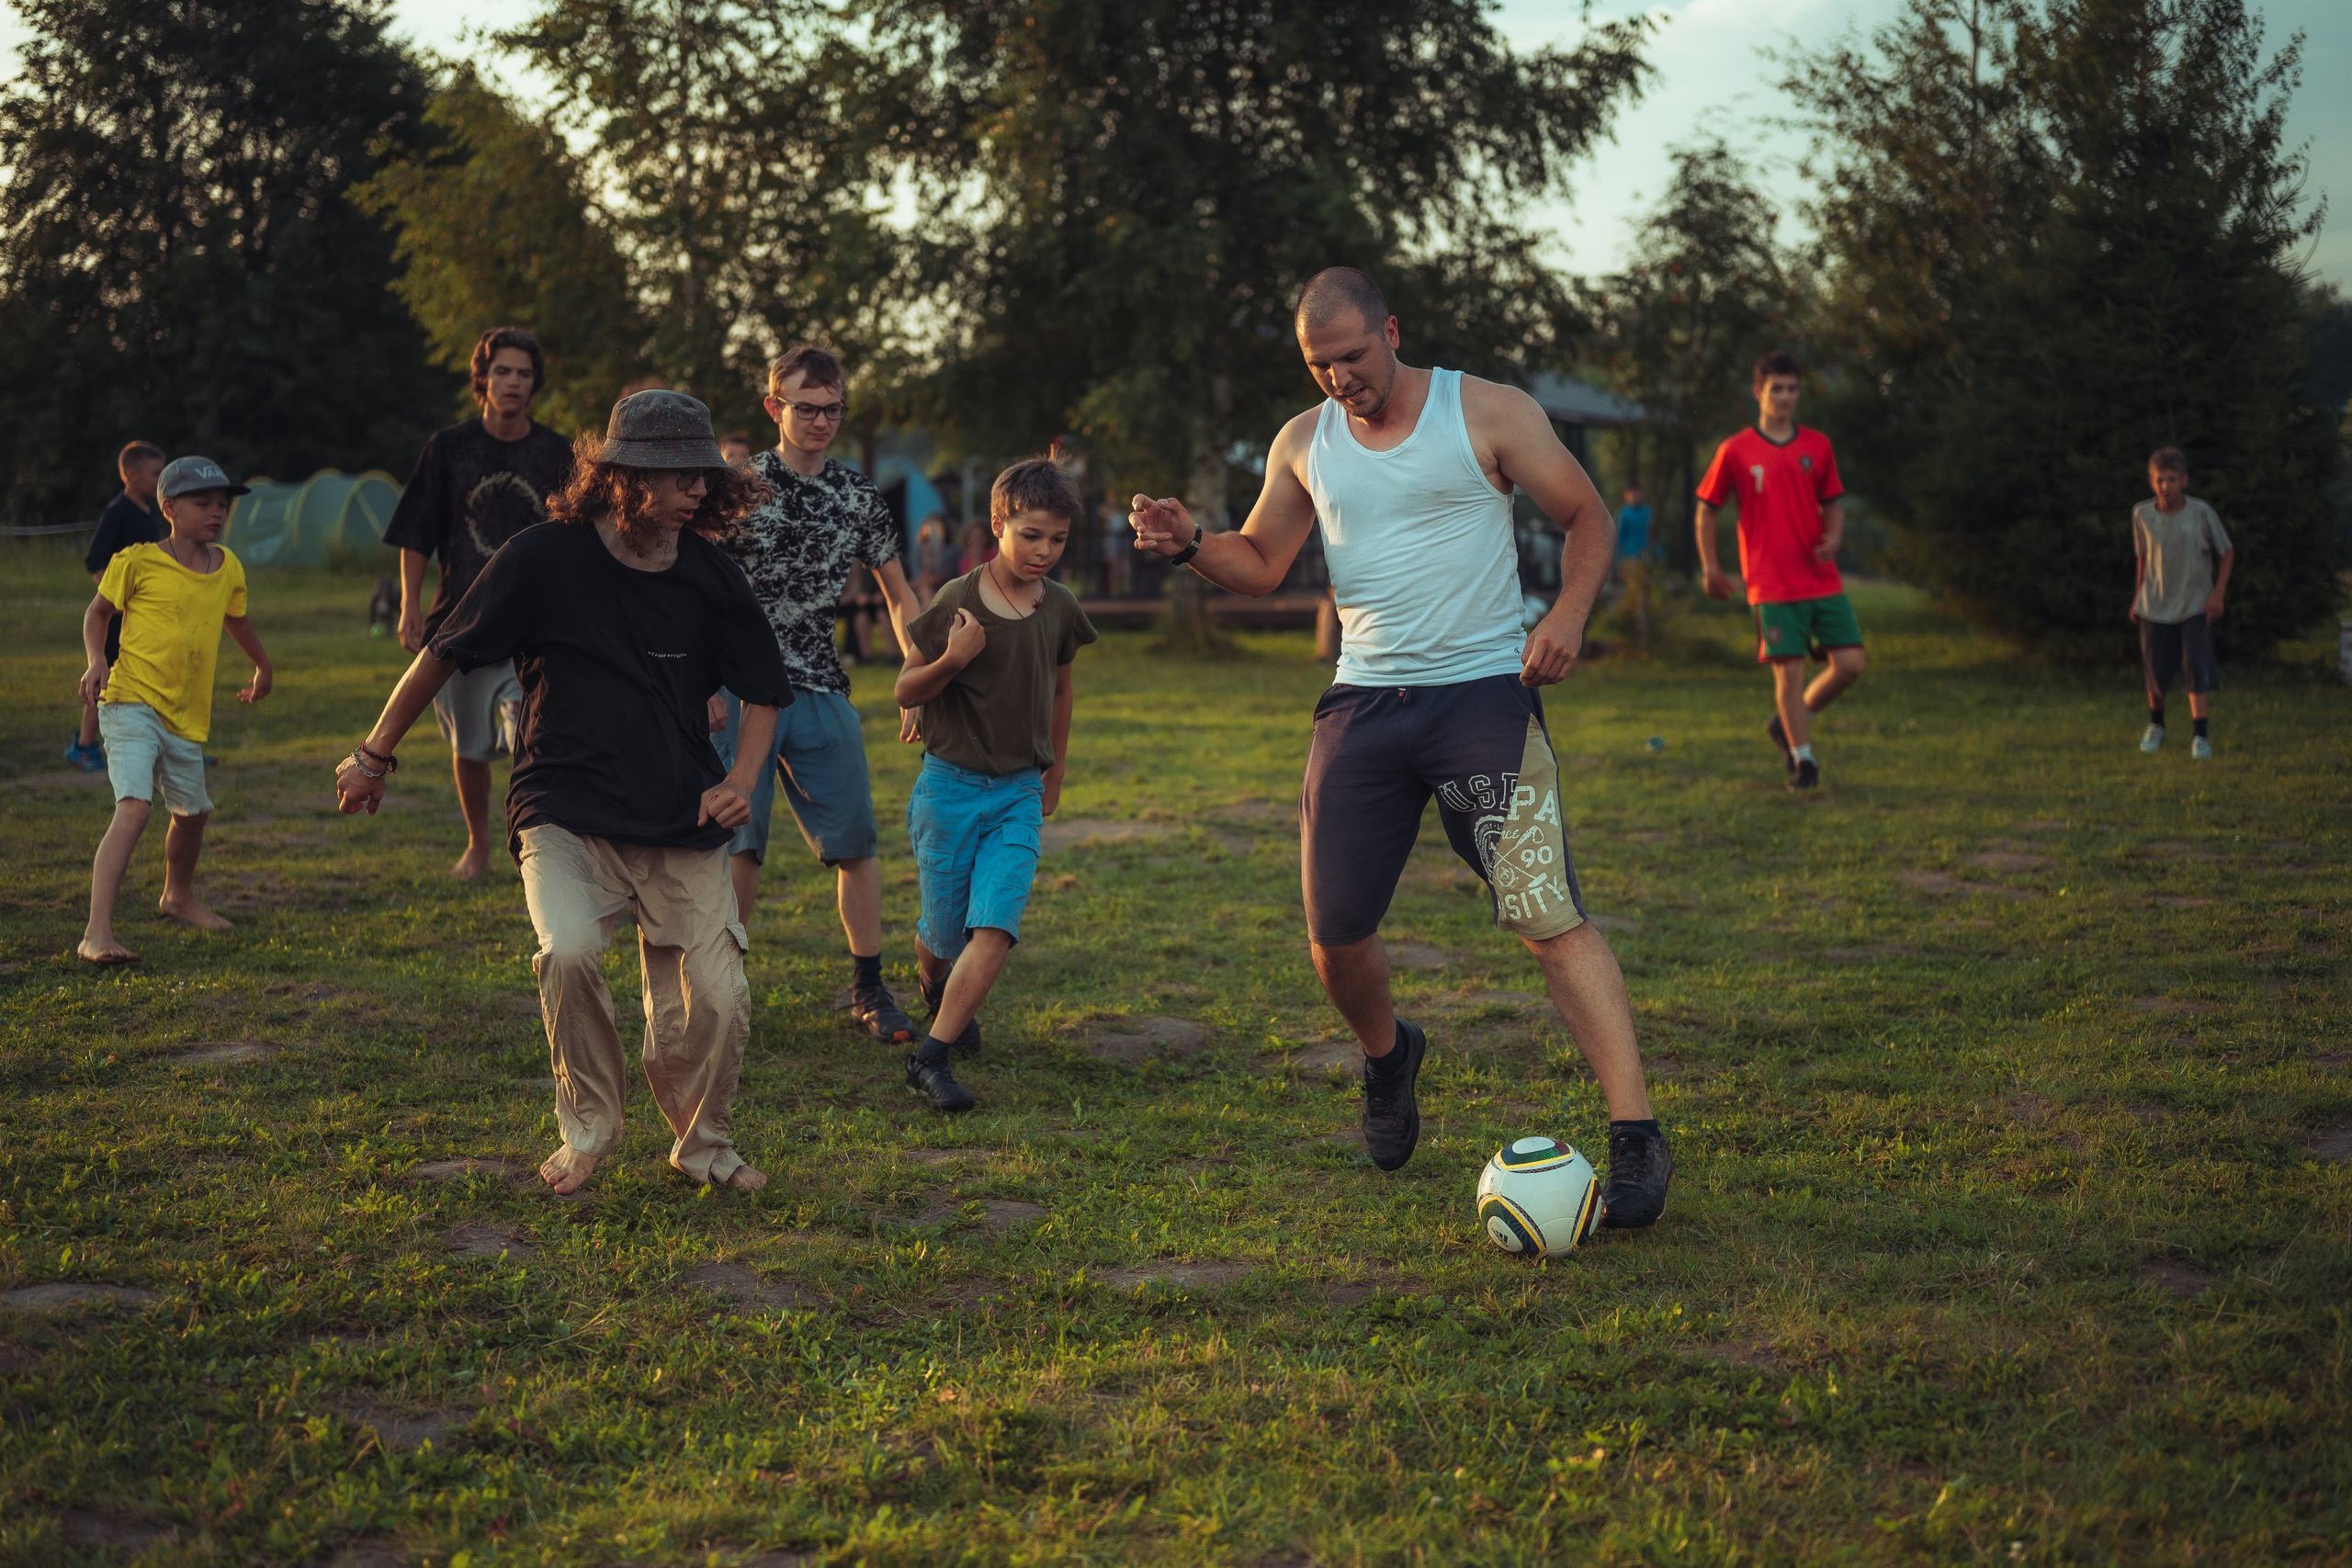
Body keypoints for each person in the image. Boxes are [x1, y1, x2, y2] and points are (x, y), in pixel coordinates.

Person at [1127, 265, 1671, 1228]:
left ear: (1389, 329)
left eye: (1351, 356)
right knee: (1334, 938)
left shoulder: (1487, 412)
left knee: (1544, 914)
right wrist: (1187, 544)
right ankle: (1388, 1056)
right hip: (1364, 705)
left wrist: (1571, 617)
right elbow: (1258, 563)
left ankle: (1635, 1137)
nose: (1340, 379)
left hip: (1484, 699)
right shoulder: (1304, 442)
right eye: (1318, 364)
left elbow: (1584, 516)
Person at [334, 391, 791, 1197]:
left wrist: (741, 780)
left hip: (679, 813)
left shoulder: (711, 574)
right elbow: (443, 652)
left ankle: (704, 1143)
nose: (697, 489)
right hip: (563, 806)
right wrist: (374, 754)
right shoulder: (543, 557)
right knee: (572, 950)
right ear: (622, 476)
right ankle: (589, 1129)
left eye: (704, 475)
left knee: (717, 997)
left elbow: (765, 690)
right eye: (679, 474)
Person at [712, 344, 924, 1045]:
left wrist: (920, 673)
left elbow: (899, 593)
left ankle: (868, 986)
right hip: (738, 689)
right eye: (806, 408)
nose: (821, 421)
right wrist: (695, 684)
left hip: (818, 685)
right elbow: (694, 593)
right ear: (775, 407)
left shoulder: (858, 494)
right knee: (738, 842)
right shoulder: (735, 488)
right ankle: (723, 986)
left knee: (856, 841)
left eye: (833, 409)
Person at [894, 459, 1098, 1111]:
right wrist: (952, 660)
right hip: (948, 789)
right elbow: (906, 686)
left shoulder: (1061, 606)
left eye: (1058, 539)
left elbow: (1063, 689)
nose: (1045, 551)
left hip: (1017, 792)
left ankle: (931, 1058)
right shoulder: (957, 598)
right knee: (943, 935)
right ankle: (935, 986)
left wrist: (1054, 771)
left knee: (997, 925)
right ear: (997, 525)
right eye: (1032, 535)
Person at [381, 327, 577, 879]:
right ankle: (478, 844)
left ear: (534, 384)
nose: (513, 382)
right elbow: (418, 531)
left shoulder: (558, 452)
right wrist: (409, 605)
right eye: (503, 372)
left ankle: (534, 848)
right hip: (461, 619)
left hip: (537, 624)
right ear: (482, 380)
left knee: (532, 741)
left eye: (524, 373)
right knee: (469, 746)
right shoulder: (449, 448)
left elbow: (577, 536)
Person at [75, 457, 272, 964]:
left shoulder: (227, 566)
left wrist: (262, 667)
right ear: (169, 508)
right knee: (135, 807)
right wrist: (97, 661)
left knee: (193, 814)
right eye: (203, 503)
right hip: (129, 702)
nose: (216, 513)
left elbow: (238, 620)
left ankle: (177, 897)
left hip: (185, 715)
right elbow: (98, 613)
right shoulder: (136, 561)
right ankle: (96, 933)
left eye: (221, 505)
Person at [1693, 353, 1863, 792]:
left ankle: (1791, 722)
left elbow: (1834, 505)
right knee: (1789, 675)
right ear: (1759, 393)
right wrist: (1711, 567)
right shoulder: (1735, 450)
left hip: (1821, 578)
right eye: (1777, 389)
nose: (1786, 397)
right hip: (1770, 583)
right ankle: (1803, 761)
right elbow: (1706, 511)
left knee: (1850, 665)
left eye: (1792, 389)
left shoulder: (1817, 446)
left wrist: (1834, 537)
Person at [68, 442, 169, 772]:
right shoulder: (117, 511)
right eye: (155, 474)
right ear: (131, 474)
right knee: (104, 680)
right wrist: (117, 602)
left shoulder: (149, 512)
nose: (160, 480)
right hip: (116, 619)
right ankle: (83, 747)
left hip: (144, 618)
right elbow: (96, 561)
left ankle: (169, 747)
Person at [2131, 446, 2233, 759]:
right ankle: (2157, 727)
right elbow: (2143, 558)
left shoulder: (2200, 513)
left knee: (2195, 667)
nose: (2166, 487)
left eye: (2172, 479)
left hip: (2194, 604)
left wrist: (2217, 594)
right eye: (2160, 480)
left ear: (2184, 480)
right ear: (2151, 483)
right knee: (2155, 670)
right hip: (2155, 605)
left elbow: (2226, 552)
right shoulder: (2142, 514)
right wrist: (2137, 597)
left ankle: (2200, 736)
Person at [1614, 483, 1656, 653]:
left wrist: (1658, 556)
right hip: (1629, 559)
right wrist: (1618, 562)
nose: (1636, 496)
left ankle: (1646, 633)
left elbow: (1654, 535)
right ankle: (1629, 630)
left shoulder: (1648, 513)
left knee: (1646, 594)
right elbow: (1619, 537)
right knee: (1631, 593)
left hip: (1646, 558)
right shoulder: (1624, 514)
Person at [915, 513, 956, 604]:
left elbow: (938, 579)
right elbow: (923, 578)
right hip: (926, 592)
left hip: (946, 593)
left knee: (924, 591)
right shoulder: (920, 552)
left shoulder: (951, 551)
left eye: (936, 528)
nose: (933, 533)